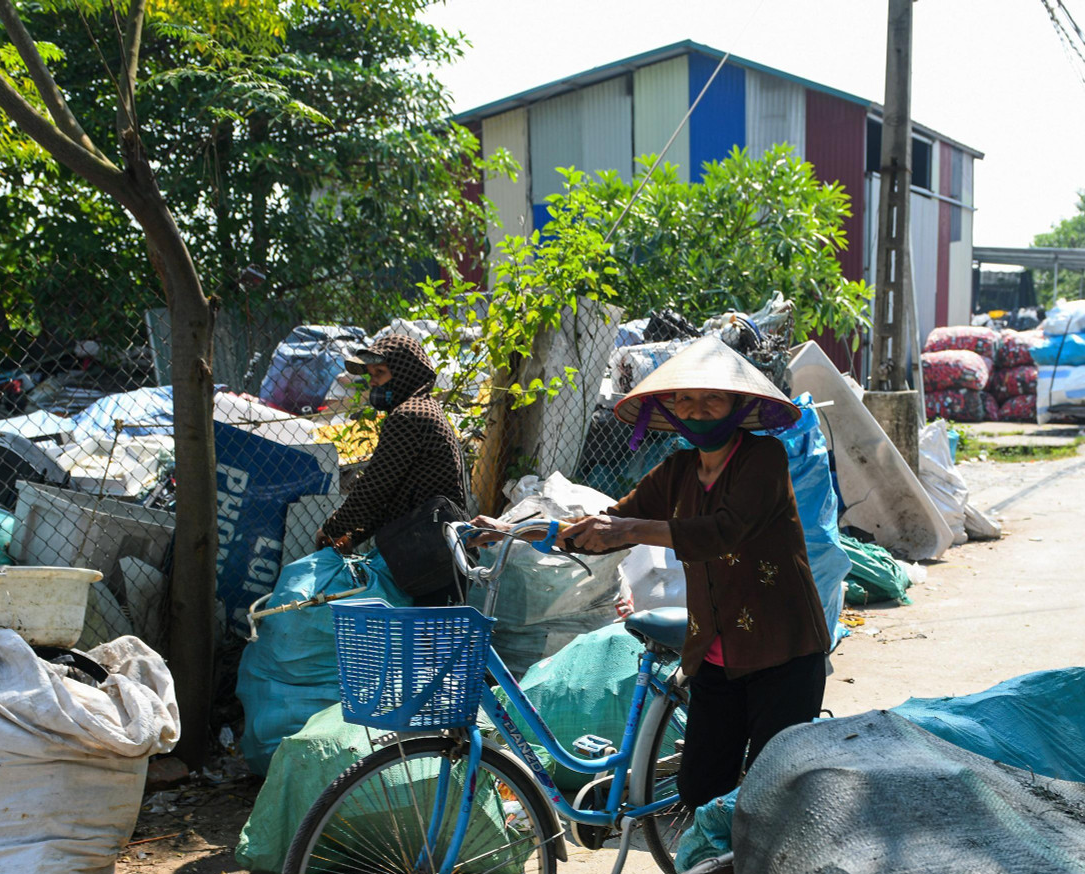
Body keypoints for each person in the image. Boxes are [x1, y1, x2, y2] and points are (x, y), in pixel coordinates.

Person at [485, 338, 829, 811]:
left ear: (737, 404)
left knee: (777, 792)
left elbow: (721, 532)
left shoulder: (762, 459)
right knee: (702, 792)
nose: (697, 409)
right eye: (684, 399)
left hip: (782, 650)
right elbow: (609, 524)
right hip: (713, 655)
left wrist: (627, 527)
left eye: (712, 398)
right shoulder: (679, 469)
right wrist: (513, 531)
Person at [315, 332, 465, 553]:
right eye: (371, 374)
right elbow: (392, 497)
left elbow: (374, 488)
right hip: (438, 544)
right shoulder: (422, 409)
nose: (373, 381)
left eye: (381, 372)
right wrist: (353, 536)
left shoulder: (408, 417)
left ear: (405, 372)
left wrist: (331, 529)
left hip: (428, 553)